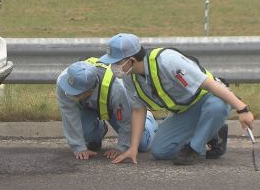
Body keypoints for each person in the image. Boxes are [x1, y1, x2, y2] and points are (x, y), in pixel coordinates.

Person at [99, 33, 255, 165]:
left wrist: (242, 108)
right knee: (160, 151)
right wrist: (132, 149)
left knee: (217, 107)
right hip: (185, 110)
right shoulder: (129, 76)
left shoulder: (167, 60)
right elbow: (138, 109)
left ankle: (195, 149)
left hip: (210, 98)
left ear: (131, 60)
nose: (113, 67)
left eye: (116, 62)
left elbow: (210, 84)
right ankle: (212, 132)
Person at [56, 59, 158, 161]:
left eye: (76, 93)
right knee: (89, 141)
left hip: (116, 108)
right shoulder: (64, 84)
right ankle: (100, 128)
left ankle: (147, 118)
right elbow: (69, 116)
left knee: (142, 144)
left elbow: (127, 122)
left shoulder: (118, 90)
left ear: (90, 90)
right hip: (88, 107)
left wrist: (122, 147)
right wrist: (79, 148)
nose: (70, 94)